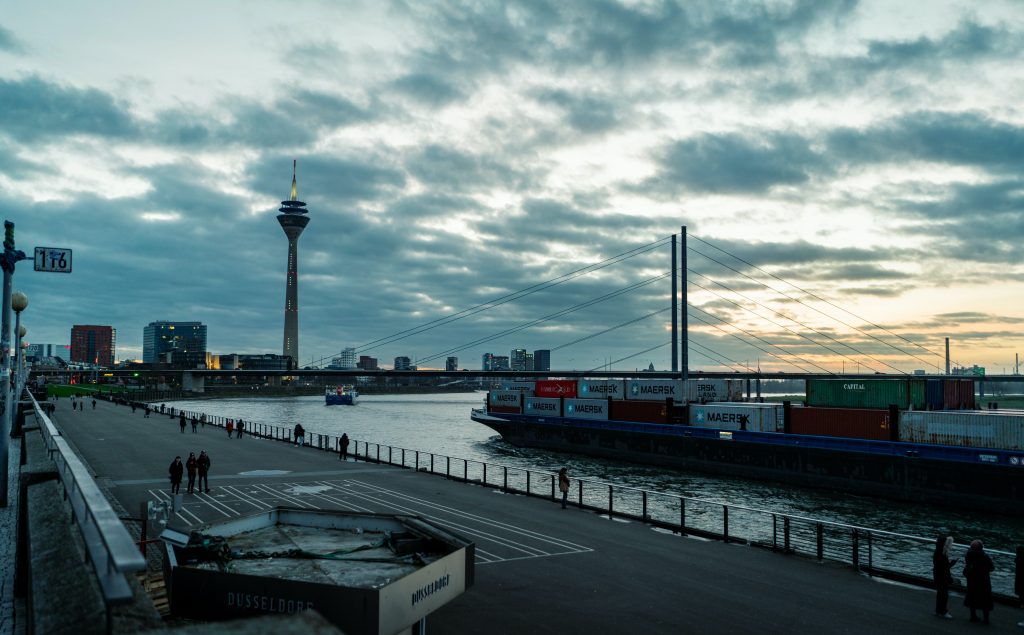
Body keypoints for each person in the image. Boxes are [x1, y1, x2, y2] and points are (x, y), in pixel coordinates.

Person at [964, 539, 995, 624]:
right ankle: (986, 619)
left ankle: (973, 616)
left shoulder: (968, 555)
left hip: (971, 580)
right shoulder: (985, 556)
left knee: (972, 597)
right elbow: (991, 568)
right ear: (981, 547)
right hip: (983, 581)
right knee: (985, 599)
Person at [932, 536, 956, 619]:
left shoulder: (938, 552)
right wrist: (951, 564)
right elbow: (944, 568)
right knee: (944, 595)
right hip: (943, 577)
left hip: (938, 576)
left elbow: (940, 567)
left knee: (940, 594)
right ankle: (943, 611)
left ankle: (938, 610)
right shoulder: (942, 554)